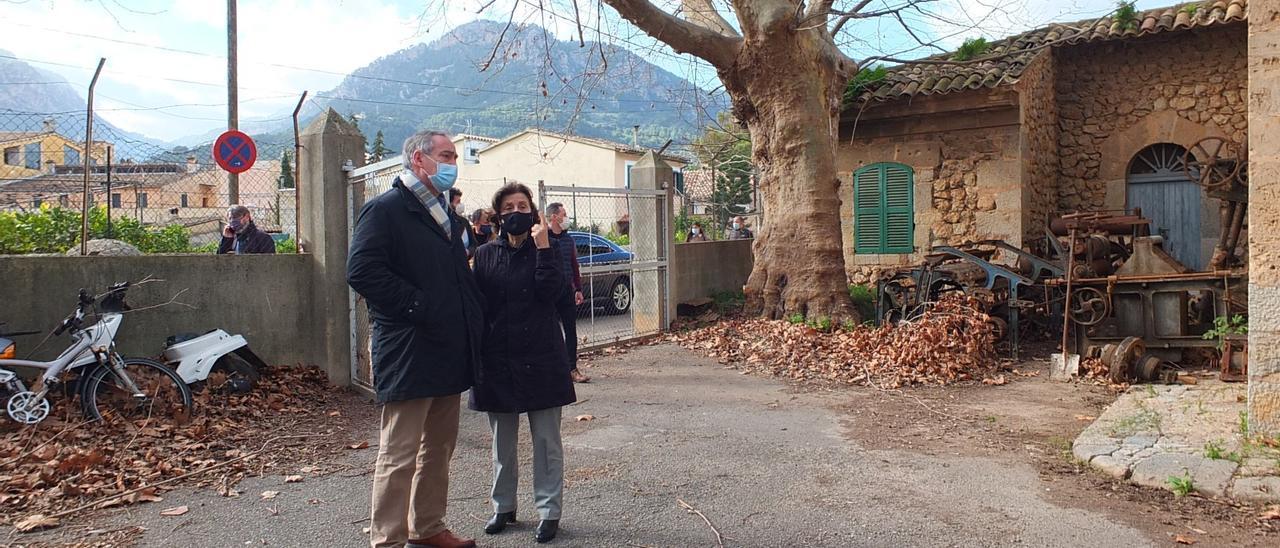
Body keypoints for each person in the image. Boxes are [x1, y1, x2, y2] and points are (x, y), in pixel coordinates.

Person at [347, 129, 483, 548]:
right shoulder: (385, 210)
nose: (452, 162)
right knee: (400, 453)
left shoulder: (447, 214)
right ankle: (387, 539)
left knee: (438, 448)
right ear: (418, 160)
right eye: (445, 154)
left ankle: (428, 528)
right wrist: (418, 307)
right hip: (408, 349)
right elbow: (362, 271)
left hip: (447, 348)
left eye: (454, 156)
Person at [471, 183, 576, 544]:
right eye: (508, 206)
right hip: (498, 359)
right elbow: (478, 307)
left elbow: (554, 293)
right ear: (499, 214)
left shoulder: (550, 248)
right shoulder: (485, 255)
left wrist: (544, 247)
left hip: (542, 357)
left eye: (522, 205)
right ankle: (503, 506)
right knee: (502, 443)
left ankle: (549, 511)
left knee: (546, 442)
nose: (516, 211)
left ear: (532, 212)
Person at [546, 202, 590, 383]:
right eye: (564, 214)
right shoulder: (542, 238)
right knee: (548, 331)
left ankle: (572, 368)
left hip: (567, 291)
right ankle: (551, 369)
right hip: (549, 293)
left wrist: (578, 288)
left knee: (570, 330)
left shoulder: (568, 239)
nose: (566, 218)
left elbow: (574, 265)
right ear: (554, 217)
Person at [450, 188, 476, 256]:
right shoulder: (445, 222)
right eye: (457, 202)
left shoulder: (464, 222)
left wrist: (468, 251)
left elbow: (473, 244)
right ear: (449, 203)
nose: (460, 205)